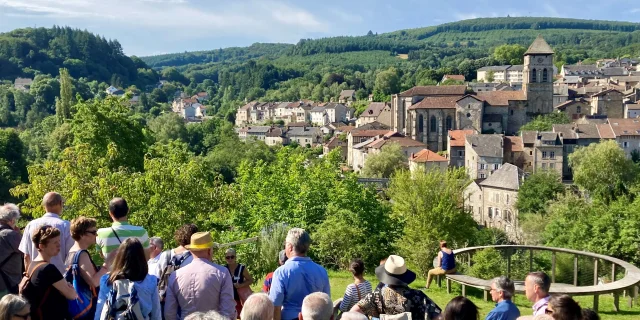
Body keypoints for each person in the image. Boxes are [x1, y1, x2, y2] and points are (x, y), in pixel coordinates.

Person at [164, 232, 236, 320]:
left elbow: (169, 313)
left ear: (191, 250)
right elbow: (228, 311)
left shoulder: (175, 275)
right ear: (209, 250)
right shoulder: (222, 273)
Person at [351, 255, 441, 320]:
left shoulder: (376, 296)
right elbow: (440, 317)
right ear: (405, 275)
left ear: (385, 275)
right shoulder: (419, 296)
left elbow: (352, 314)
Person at [269, 228, 330, 320]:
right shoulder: (321, 271)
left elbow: (275, 306)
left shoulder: (281, 272)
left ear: (290, 247)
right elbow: (326, 302)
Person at [94, 238, 161, 320]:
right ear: (141, 258)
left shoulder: (107, 280)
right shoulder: (150, 281)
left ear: (119, 257)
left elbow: (100, 311)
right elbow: (156, 314)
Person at [21, 225, 78, 320]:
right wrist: (68, 287)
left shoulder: (32, 265)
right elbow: (72, 295)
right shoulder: (48, 269)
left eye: (59, 241)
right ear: (41, 246)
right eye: (55, 242)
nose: (59, 245)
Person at [19, 192, 73, 274]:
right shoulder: (66, 225)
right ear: (60, 203)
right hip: (59, 277)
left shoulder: (31, 225)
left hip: (36, 276)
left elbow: (26, 256)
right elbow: (71, 254)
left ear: (44, 205)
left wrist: (29, 275)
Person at [66, 217, 108, 320]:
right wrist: (107, 265)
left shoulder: (72, 251)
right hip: (87, 307)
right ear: (82, 234)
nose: (96, 235)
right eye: (93, 232)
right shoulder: (82, 254)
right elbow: (94, 282)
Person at [96, 198, 150, 266]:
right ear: (128, 210)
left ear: (110, 213)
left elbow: (102, 256)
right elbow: (147, 257)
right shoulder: (141, 232)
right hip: (136, 275)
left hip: (113, 275)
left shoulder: (101, 233)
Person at [0, 204, 23, 298]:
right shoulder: (10, 235)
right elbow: (26, 251)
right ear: (12, 220)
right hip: (9, 283)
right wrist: (19, 234)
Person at [225, 248, 254, 318]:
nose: (230, 259)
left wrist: (240, 285)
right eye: (228, 257)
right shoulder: (224, 269)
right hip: (228, 299)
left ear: (235, 257)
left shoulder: (241, 268)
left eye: (232, 257)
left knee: (240, 316)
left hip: (240, 299)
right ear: (225, 259)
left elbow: (250, 280)